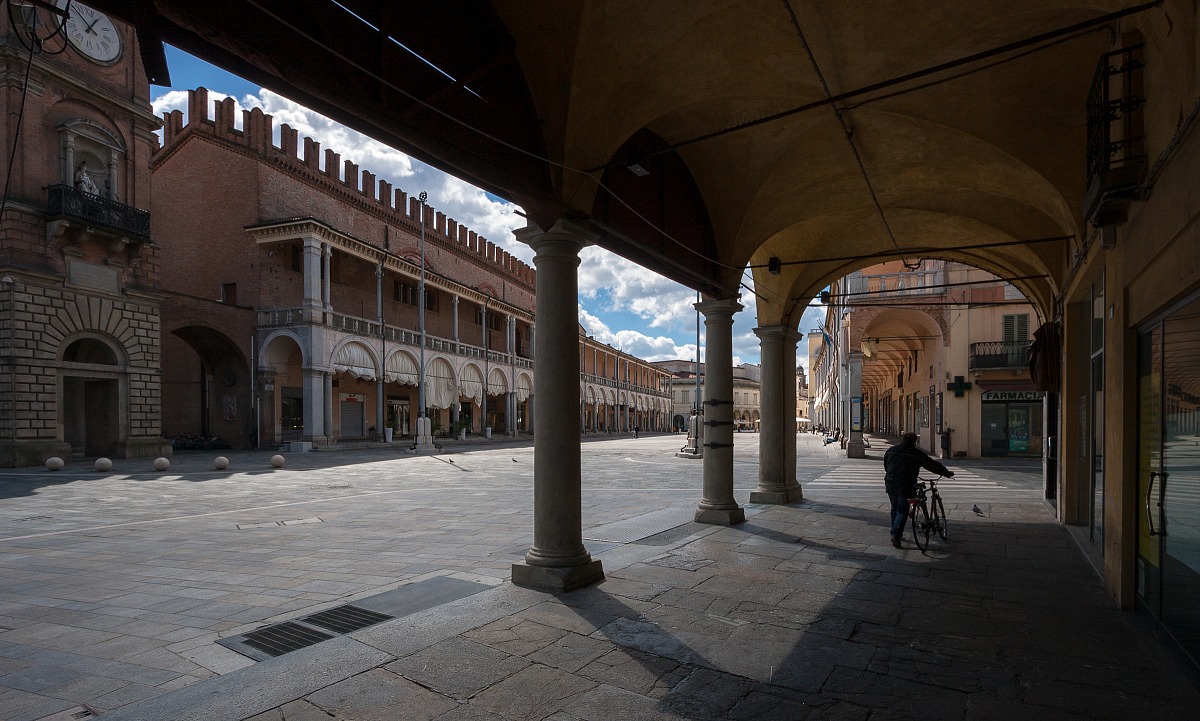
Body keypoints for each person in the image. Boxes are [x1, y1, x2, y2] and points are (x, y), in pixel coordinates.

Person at [884, 431, 953, 548]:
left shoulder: (891, 450)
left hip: (890, 482)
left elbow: (886, 465)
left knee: (894, 509)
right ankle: (895, 535)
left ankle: (897, 533)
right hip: (905, 484)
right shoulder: (915, 453)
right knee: (902, 511)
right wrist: (946, 473)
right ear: (914, 441)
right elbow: (931, 464)